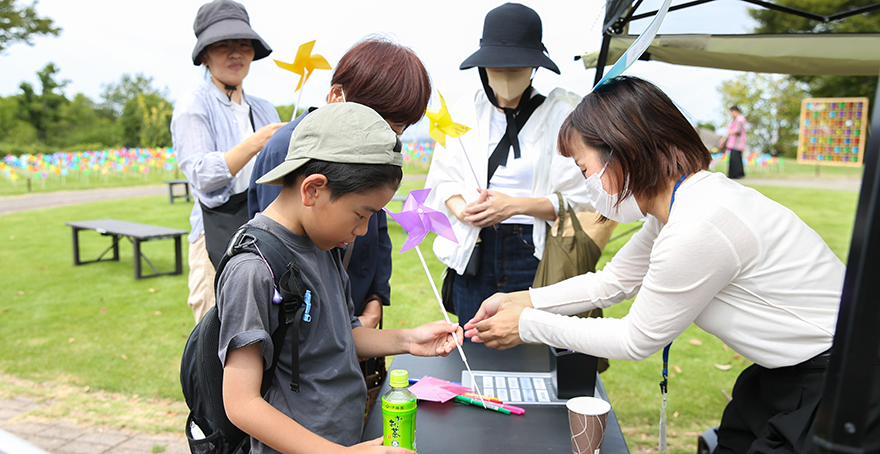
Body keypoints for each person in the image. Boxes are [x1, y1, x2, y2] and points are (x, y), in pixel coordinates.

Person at [463, 76, 859, 454]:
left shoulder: (699, 224)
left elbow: (635, 339)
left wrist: (528, 325)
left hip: (833, 376)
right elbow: (611, 282)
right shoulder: (677, 205)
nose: (586, 184)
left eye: (585, 170)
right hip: (784, 371)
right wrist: (523, 300)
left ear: (623, 152)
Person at [219, 102, 462, 454]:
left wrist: (408, 340)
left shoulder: (322, 243)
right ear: (313, 190)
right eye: (361, 214)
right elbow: (242, 404)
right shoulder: (254, 270)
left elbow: (340, 335)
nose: (363, 231)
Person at [424, 2, 593, 327]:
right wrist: (461, 209)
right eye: (495, 69)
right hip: (475, 248)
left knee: (530, 341)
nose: (504, 77)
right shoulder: (463, 113)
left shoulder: (561, 116)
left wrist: (514, 206)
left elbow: (581, 197)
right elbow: (443, 180)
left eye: (515, 69)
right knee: (473, 339)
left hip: (530, 251)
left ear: (533, 68)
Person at [248, 37, 431, 328]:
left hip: (357, 316)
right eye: (375, 123)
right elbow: (279, 252)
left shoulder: (375, 155)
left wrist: (376, 298)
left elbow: (377, 233)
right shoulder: (289, 149)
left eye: (394, 131)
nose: (381, 141)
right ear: (336, 96)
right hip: (310, 325)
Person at [172, 0, 285, 323]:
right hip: (215, 234)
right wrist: (256, 142)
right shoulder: (193, 105)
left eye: (243, 45)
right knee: (216, 328)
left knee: (266, 325)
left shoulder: (265, 109)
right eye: (223, 45)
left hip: (265, 232)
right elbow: (203, 175)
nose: (235, 54)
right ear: (205, 55)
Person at [717, 105, 747, 179]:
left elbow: (738, 130)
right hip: (733, 143)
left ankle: (737, 174)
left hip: (737, 143)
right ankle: (733, 174)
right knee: (734, 159)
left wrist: (731, 132)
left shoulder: (740, 119)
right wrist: (723, 140)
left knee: (736, 159)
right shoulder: (735, 120)